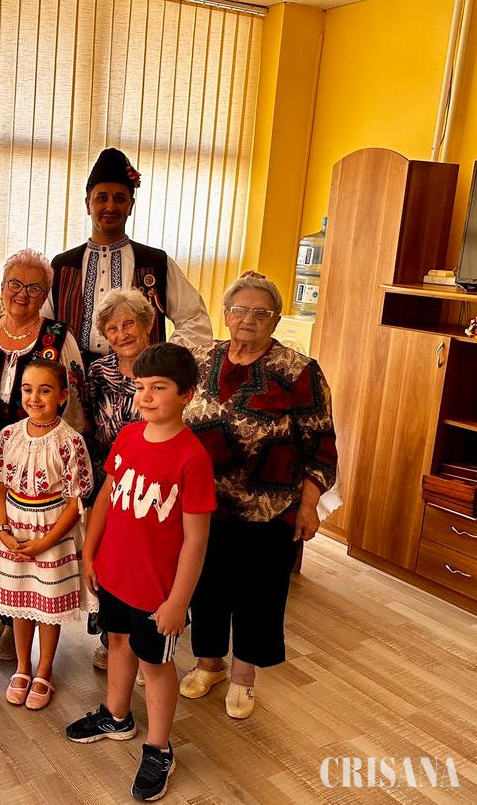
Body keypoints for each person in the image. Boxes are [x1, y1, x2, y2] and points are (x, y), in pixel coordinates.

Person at [182, 271, 337, 719]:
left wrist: (309, 505)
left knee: (259, 593)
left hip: (269, 507)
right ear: (226, 314)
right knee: (206, 586)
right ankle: (209, 664)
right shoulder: (201, 357)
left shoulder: (298, 371)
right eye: (240, 310)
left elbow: (321, 444)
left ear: (276, 320)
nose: (249, 319)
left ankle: (243, 677)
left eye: (261, 313)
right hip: (204, 505)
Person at [66, 343, 214, 802]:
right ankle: (117, 716)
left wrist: (178, 602)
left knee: (155, 664)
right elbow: (105, 498)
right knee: (116, 642)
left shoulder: (192, 458)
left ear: (186, 394)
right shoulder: (129, 436)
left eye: (158, 388)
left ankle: (159, 747)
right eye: (140, 387)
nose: (145, 397)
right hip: (114, 574)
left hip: (156, 590)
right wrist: (90, 554)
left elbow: (196, 540)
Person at [0, 249, 87, 661]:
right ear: (2, 287)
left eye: (34, 287)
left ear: (45, 294)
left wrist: (61, 445)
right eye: (15, 284)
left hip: (42, 451)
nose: (22, 293)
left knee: (35, 538)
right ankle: (4, 611)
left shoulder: (58, 336)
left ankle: (25, 621)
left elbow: (74, 395)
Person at [0, 358, 94, 710]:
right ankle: (22, 666)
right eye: (27, 389)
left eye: (44, 391)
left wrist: (46, 542)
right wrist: (2, 528)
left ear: (62, 396)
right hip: (14, 529)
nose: (34, 398)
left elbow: (75, 500)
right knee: (19, 602)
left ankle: (44, 669)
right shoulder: (8, 435)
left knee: (47, 604)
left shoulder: (69, 441)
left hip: (52, 533)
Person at [44, 147, 212, 368]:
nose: (110, 206)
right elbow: (41, 327)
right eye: (102, 198)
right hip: (74, 377)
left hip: (141, 378)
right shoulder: (62, 266)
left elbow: (196, 320)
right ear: (88, 204)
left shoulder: (155, 263)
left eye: (119, 198)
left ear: (130, 206)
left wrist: (161, 359)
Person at [82, 287, 157, 671]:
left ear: (146, 324)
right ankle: (108, 636)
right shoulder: (99, 371)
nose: (122, 334)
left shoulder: (162, 368)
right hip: (106, 479)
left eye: (129, 324)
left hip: (150, 484)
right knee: (107, 560)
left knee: (144, 561)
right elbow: (87, 422)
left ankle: (147, 642)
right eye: (112, 328)